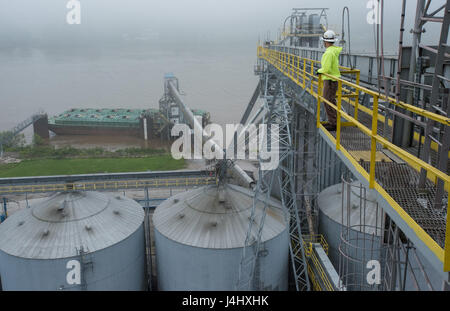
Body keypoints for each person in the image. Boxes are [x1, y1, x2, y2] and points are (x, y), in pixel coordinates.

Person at [316, 30, 343, 132]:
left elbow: (326, 69)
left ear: (325, 42)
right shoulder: (334, 51)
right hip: (334, 79)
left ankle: (333, 123)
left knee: (327, 100)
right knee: (331, 100)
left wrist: (318, 71)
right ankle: (333, 121)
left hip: (330, 80)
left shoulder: (328, 53)